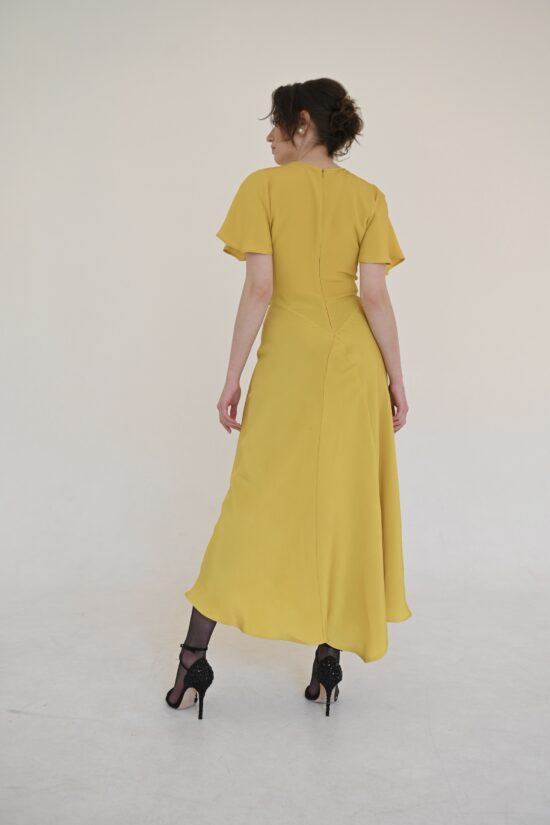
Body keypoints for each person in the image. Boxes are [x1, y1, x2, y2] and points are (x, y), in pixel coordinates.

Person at [165, 77, 412, 719]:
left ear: (304, 124)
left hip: (292, 360)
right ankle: (328, 661)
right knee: (342, 502)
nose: (270, 137)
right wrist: (396, 377)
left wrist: (231, 376)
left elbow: (260, 289)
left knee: (253, 496)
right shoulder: (368, 197)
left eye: (276, 124)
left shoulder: (264, 188)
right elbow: (374, 296)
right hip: (354, 363)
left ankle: (194, 659)